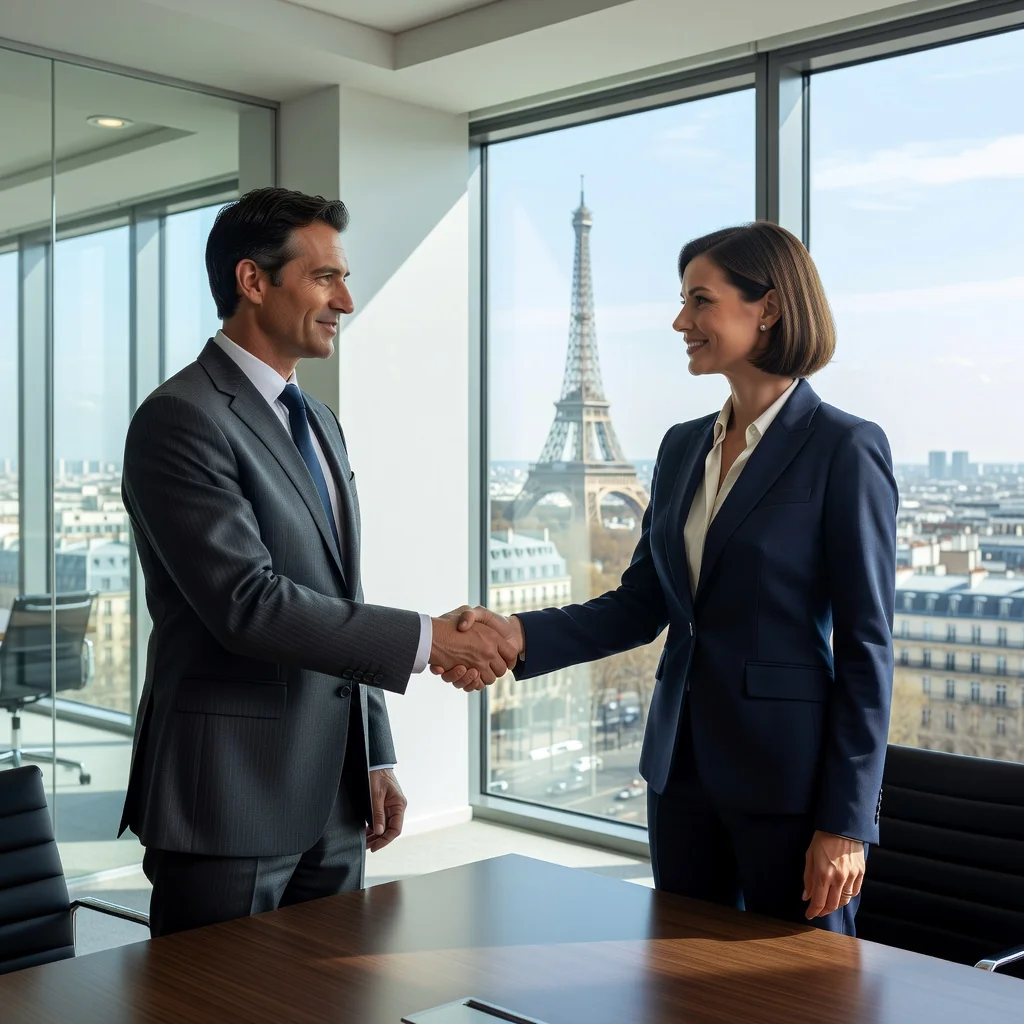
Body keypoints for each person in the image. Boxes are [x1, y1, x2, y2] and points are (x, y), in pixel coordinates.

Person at [444, 222, 897, 935]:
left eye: (699, 300)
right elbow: (640, 603)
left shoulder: (844, 447)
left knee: (800, 996)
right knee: (681, 983)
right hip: (678, 776)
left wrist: (846, 822)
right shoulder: (684, 447)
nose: (680, 321)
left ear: (768, 309)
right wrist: (516, 632)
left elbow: (869, 647)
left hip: (789, 788)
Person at [119, 187, 515, 937]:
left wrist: (374, 754)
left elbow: (340, 593)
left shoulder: (318, 421)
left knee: (333, 1000)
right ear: (253, 280)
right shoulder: (181, 418)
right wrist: (434, 638)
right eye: (326, 277)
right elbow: (248, 603)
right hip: (228, 795)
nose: (348, 300)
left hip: (334, 794)